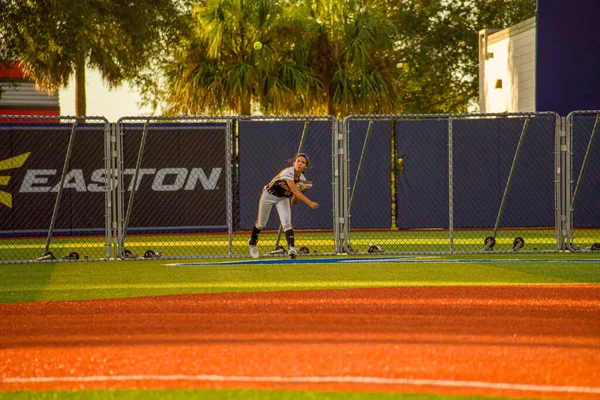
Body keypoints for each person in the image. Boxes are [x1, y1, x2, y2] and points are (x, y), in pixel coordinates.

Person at [248, 153, 319, 259]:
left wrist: (302, 189)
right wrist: (310, 203)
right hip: (269, 195)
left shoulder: (302, 180)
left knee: (287, 223)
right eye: (298, 161)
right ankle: (252, 243)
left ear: (306, 166)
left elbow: (293, 201)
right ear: (294, 163)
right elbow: (294, 190)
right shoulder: (288, 171)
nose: (300, 163)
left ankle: (292, 249)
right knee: (262, 223)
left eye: (303, 162)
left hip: (282, 198)